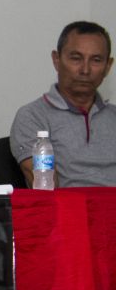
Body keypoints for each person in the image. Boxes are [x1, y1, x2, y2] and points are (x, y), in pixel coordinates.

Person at [10, 21, 116, 187]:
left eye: (96, 60)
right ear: (56, 60)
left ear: (108, 66)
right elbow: (46, 189)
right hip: (70, 210)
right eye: (76, 58)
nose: (85, 70)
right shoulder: (33, 116)